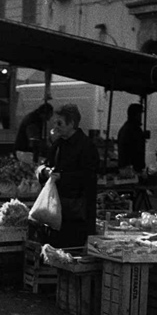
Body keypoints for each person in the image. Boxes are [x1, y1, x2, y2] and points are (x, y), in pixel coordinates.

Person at [37, 104, 100, 248]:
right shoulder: (58, 144)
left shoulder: (86, 146)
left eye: (60, 123)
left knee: (70, 250)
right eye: (55, 123)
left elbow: (89, 178)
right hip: (56, 211)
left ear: (71, 123)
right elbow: (43, 165)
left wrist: (62, 177)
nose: (56, 126)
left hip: (76, 215)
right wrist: (44, 171)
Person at [117, 103, 145, 172]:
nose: (141, 117)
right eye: (139, 114)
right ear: (135, 115)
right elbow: (135, 151)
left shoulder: (127, 128)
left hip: (128, 167)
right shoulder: (133, 130)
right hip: (131, 168)